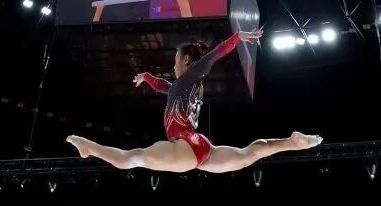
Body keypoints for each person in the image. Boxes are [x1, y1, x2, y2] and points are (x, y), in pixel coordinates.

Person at [67, 29, 322, 174]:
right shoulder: (183, 87)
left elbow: (213, 56)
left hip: (184, 145)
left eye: (175, 61)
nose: (173, 66)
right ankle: (293, 142)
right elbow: (165, 87)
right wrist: (147, 77)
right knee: (246, 156)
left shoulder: (191, 75)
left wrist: (236, 38)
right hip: (200, 146)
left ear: (187, 61)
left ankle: (89, 147)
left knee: (132, 158)